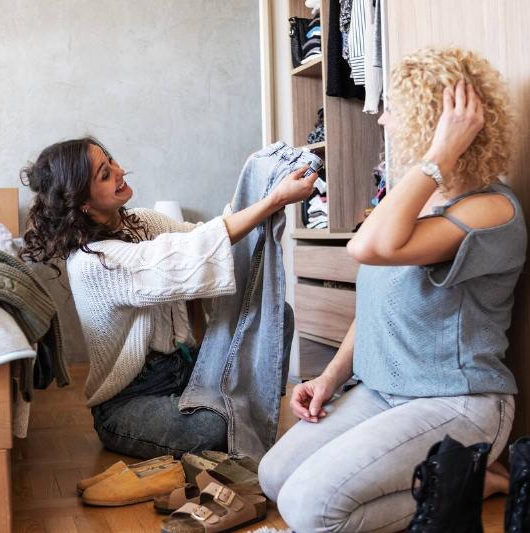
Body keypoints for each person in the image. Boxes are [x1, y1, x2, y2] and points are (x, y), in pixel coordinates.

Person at [258, 47, 525, 532]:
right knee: (274, 477)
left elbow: (368, 248)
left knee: (309, 509)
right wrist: (331, 378)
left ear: (433, 117)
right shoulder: (417, 198)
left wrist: (438, 155)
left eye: (395, 108)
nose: (381, 120)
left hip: (455, 401)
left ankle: (472, 478)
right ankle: (462, 478)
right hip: (383, 392)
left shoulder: (490, 210)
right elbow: (378, 305)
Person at [19, 137, 317, 458]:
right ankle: (233, 412)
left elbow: (205, 235)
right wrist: (272, 201)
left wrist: (254, 179)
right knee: (213, 428)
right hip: (129, 403)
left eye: (112, 161)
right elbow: (186, 255)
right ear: (83, 204)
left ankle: (236, 410)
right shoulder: (95, 262)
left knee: (276, 316)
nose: (120, 172)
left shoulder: (144, 221)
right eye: (105, 174)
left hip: (188, 371)